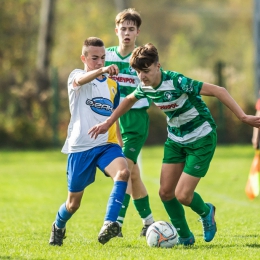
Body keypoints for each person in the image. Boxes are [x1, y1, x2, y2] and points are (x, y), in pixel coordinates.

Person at [88, 43, 260, 246]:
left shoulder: (177, 81)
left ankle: (207, 211)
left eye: (146, 71)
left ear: (158, 66)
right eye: (138, 72)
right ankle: (186, 238)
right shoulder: (144, 86)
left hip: (201, 138)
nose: (142, 77)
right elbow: (129, 100)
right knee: (165, 193)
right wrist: (108, 122)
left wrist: (242, 117)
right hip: (176, 140)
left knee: (183, 195)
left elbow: (218, 90)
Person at [49, 37, 130, 246]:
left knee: (123, 172)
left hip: (105, 145)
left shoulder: (113, 84)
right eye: (94, 58)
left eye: (103, 58)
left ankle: (109, 223)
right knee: (73, 204)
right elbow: (82, 80)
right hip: (80, 147)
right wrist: (101, 71)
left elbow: (115, 116)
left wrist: (119, 143)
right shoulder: (75, 76)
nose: (100, 62)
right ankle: (58, 225)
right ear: (83, 58)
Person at [105, 8, 154, 237]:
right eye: (123, 29)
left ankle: (117, 224)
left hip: (135, 120)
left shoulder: (140, 59)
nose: (126, 33)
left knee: (124, 169)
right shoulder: (106, 56)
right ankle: (148, 223)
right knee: (132, 174)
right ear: (116, 31)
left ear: (137, 32)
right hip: (114, 120)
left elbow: (152, 84)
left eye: (131, 29)